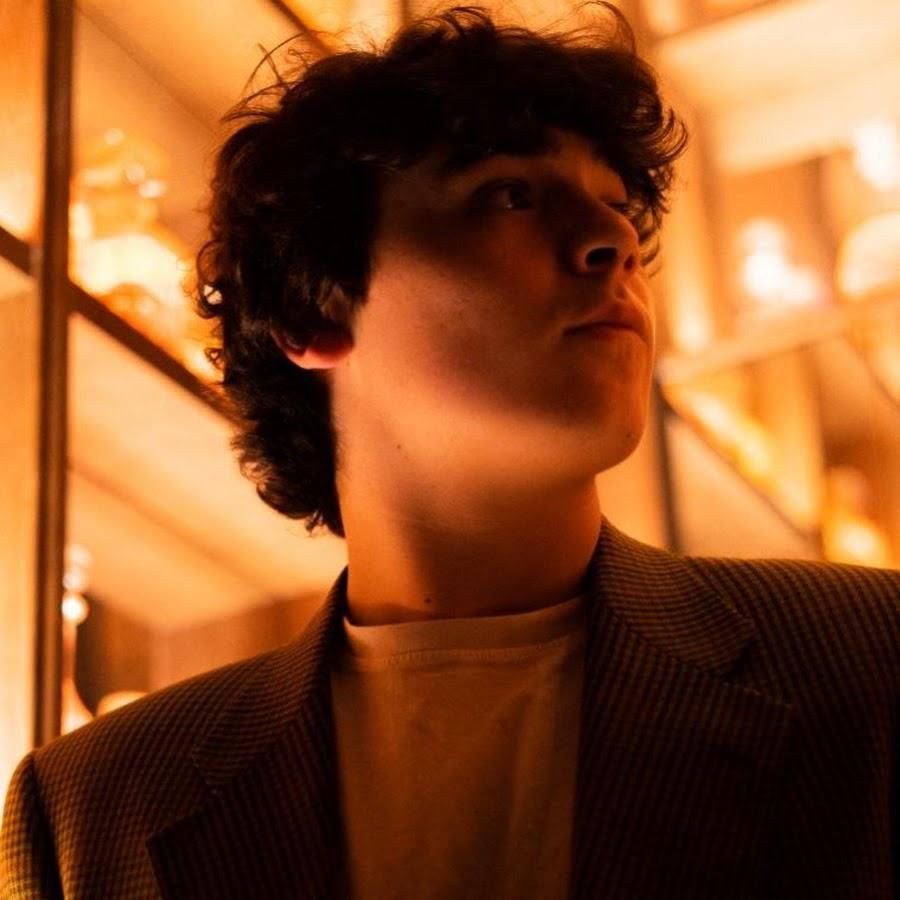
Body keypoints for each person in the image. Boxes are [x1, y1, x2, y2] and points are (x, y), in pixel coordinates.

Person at [2, 4, 898, 898]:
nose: (617, 241)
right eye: (509, 195)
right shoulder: (93, 805)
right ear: (310, 311)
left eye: (618, 207)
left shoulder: (869, 661)